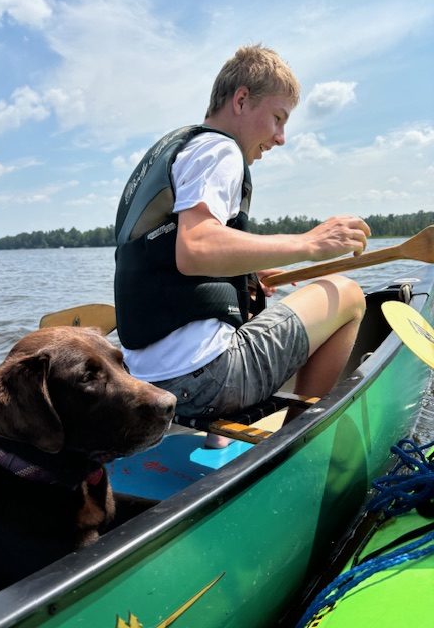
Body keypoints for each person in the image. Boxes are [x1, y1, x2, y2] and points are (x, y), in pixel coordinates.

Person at [114, 44, 370, 448]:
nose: (281, 138)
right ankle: (301, 443)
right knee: (347, 294)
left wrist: (246, 272)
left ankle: (222, 438)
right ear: (242, 100)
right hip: (204, 382)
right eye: (278, 118)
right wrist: (308, 243)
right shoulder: (221, 150)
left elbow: (171, 254)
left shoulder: (179, 150)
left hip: (143, 384)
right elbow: (195, 247)